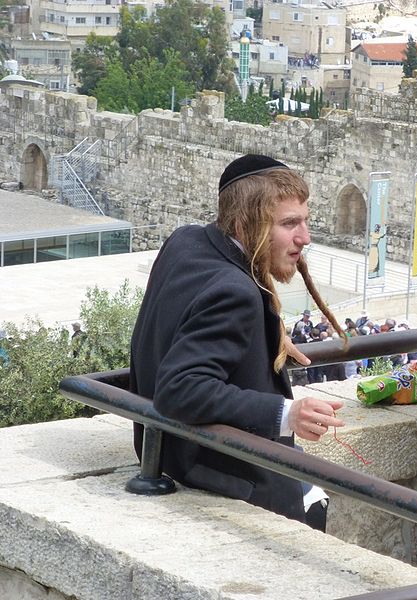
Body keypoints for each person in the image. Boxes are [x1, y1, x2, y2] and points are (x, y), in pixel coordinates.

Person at [130, 154, 346, 530]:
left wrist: (267, 329)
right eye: (289, 223)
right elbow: (179, 388)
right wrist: (287, 414)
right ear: (245, 224)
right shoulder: (236, 292)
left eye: (305, 220)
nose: (304, 238)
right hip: (220, 471)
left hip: (159, 450)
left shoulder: (186, 241)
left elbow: (186, 319)